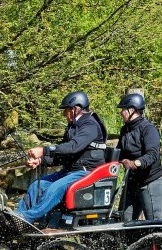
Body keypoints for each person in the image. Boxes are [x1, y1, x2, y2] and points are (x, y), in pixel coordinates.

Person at [15, 91, 107, 224]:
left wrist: (44, 150)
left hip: (87, 173)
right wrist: (40, 161)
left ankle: (28, 218)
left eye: (66, 110)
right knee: (37, 185)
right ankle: (19, 216)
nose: (64, 114)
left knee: (55, 188)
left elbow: (73, 147)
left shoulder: (90, 125)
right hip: (71, 171)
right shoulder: (73, 127)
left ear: (76, 108)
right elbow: (62, 154)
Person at [116, 92, 162, 221]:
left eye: (123, 109)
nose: (121, 112)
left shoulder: (148, 129)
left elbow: (152, 155)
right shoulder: (125, 130)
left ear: (131, 110)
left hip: (151, 181)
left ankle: (157, 241)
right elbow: (119, 152)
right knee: (123, 221)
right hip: (133, 182)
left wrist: (134, 163)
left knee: (154, 224)